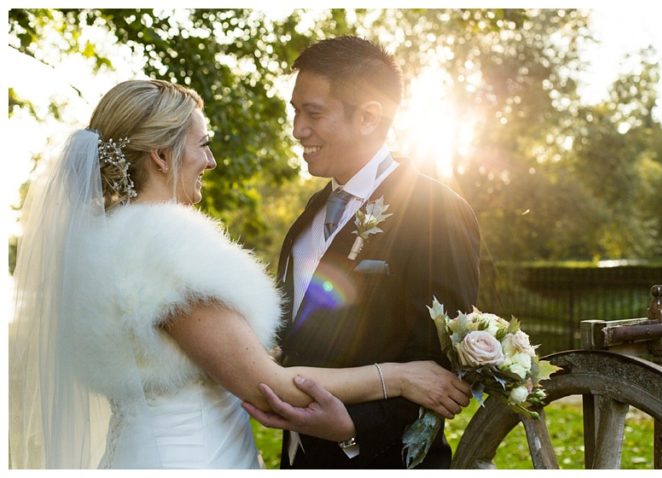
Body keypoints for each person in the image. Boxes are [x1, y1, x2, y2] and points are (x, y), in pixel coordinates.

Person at [9, 79, 469, 469]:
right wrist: (400, 377)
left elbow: (177, 352)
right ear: (161, 157)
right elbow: (266, 387)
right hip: (192, 457)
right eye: (203, 145)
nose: (210, 162)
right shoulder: (166, 245)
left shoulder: (103, 241)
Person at [266, 36, 481, 469]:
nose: (297, 129)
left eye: (314, 113)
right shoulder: (309, 215)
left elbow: (440, 369)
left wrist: (350, 429)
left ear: (368, 116)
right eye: (295, 111)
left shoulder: (435, 210)